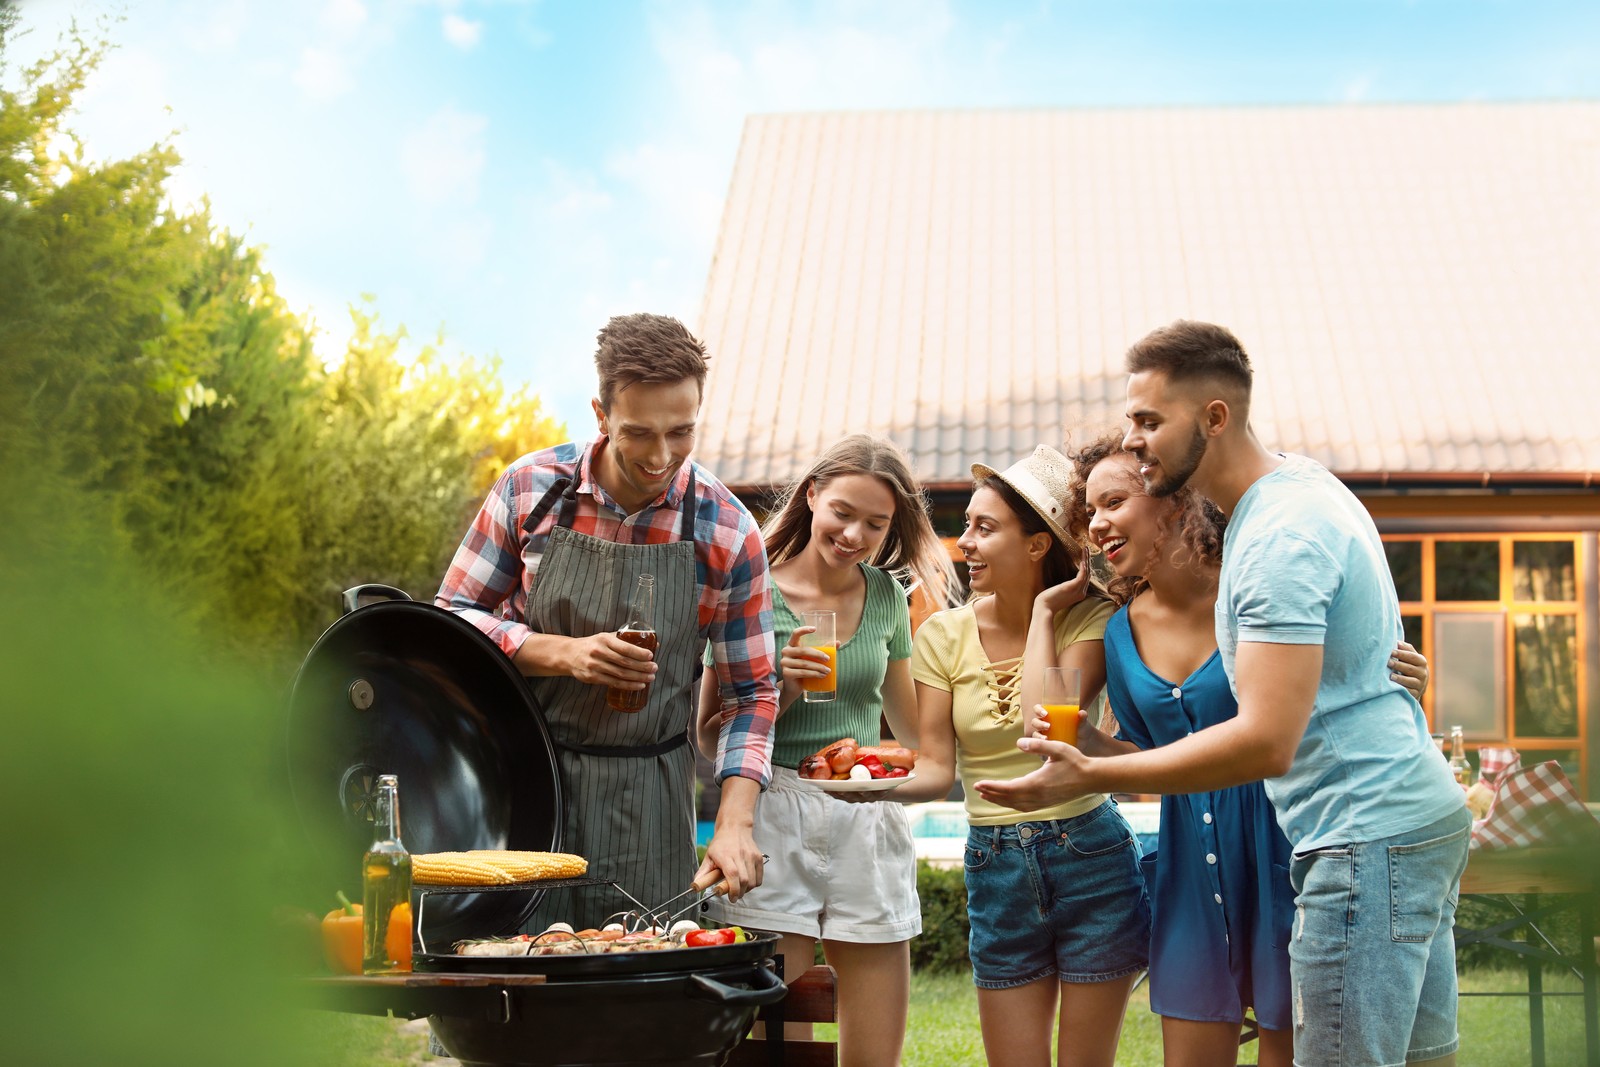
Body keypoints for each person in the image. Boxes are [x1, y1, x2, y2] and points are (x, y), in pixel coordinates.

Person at [978, 321, 1469, 1067]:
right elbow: (1062, 721)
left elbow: (1266, 737)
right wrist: (1054, 627)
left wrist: (1096, 772)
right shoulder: (1286, 500)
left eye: (1149, 422)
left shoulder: (1274, 538)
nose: (1135, 441)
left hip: (1345, 833)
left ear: (1213, 417)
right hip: (1351, 829)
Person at [1051, 430, 1431, 1067]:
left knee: (1294, 1050)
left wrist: (1408, 686)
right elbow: (1146, 759)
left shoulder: (1261, 587)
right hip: (1189, 874)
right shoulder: (1118, 634)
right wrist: (1092, 747)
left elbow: (1348, 694)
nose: (1097, 525)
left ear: (1174, 501)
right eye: (1090, 511)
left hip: (1287, 850)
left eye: (1112, 502)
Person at [435, 313, 777, 927]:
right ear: (600, 414)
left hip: (651, 796)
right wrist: (559, 652)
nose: (661, 455)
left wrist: (734, 821)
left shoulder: (726, 531)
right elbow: (451, 622)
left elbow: (752, 692)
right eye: (638, 432)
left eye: (681, 431)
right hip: (523, 775)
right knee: (506, 977)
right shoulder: (528, 490)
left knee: (640, 995)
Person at [693, 434, 953, 1067]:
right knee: (778, 1040)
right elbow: (707, 736)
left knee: (874, 1045)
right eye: (843, 511)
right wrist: (784, 688)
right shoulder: (751, 594)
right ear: (812, 496)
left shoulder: (888, 597)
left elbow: (912, 732)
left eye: (876, 523)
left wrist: (966, 704)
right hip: (772, 809)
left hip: (863, 811)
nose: (855, 534)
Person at [895, 445, 1151, 1067]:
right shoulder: (940, 635)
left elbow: (1047, 725)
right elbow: (934, 766)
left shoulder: (1086, 617)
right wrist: (849, 788)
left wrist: (1041, 611)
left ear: (1037, 546)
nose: (968, 544)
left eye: (986, 529)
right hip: (996, 863)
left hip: (1089, 853)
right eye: (966, 529)